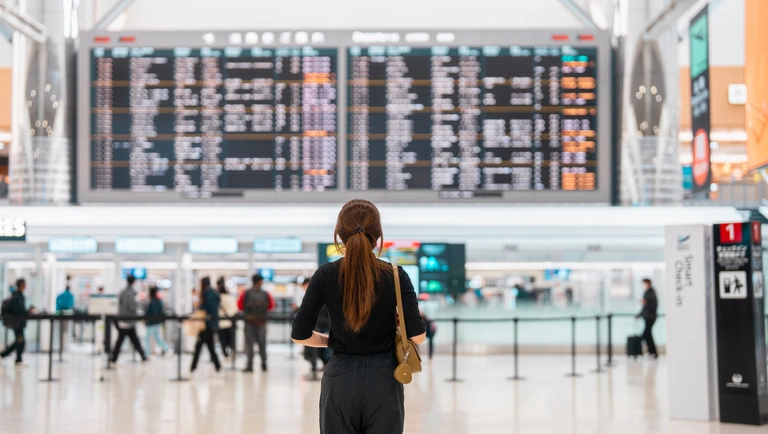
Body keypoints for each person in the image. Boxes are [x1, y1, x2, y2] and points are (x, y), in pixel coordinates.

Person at [292, 199, 426, 434]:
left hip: (339, 378)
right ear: (378, 236)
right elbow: (418, 337)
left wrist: (330, 340)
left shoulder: (324, 275)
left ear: (340, 235)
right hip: (385, 377)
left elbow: (299, 334)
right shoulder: (396, 275)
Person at [242, 274, 275, 372]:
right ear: (260, 281)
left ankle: (249, 365)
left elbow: (240, 306)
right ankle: (264, 364)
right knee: (262, 345)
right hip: (262, 322)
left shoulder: (246, 293)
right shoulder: (265, 293)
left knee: (249, 345)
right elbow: (271, 306)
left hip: (249, 322)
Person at [111, 275, 147, 363]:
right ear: (134, 282)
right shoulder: (130, 293)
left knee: (131, 340)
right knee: (126, 340)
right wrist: (138, 304)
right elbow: (131, 306)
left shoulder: (122, 292)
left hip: (123, 320)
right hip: (127, 320)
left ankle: (143, 356)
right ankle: (114, 358)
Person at [191, 277, 221, 372]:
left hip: (207, 325)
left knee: (199, 346)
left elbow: (207, 310)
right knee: (210, 346)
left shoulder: (208, 295)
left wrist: (199, 306)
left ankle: (193, 367)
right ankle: (217, 366)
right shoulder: (213, 293)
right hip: (212, 324)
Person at [1, 279, 34, 365]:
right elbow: (19, 311)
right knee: (20, 341)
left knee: (19, 341)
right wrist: (28, 312)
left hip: (17, 323)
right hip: (17, 323)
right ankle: (9, 356)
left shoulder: (17, 296)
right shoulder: (17, 297)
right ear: (21, 285)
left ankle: (11, 357)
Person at [144, 286, 170, 357]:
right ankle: (167, 348)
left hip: (152, 323)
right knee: (157, 338)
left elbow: (153, 312)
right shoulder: (158, 300)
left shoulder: (152, 301)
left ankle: (147, 353)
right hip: (156, 322)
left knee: (147, 338)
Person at [636, 278, 658, 359]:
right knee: (648, 335)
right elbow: (644, 307)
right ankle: (652, 352)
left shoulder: (652, 293)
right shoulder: (646, 292)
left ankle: (652, 352)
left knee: (646, 334)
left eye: (644, 283)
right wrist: (639, 314)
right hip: (646, 317)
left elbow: (653, 306)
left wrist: (646, 303)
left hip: (651, 317)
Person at [217, 277, 238, 358]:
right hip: (230, 322)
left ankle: (225, 354)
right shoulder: (231, 298)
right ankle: (232, 352)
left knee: (223, 341)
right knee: (231, 340)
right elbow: (234, 310)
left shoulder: (219, 298)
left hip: (222, 323)